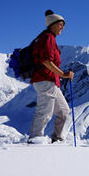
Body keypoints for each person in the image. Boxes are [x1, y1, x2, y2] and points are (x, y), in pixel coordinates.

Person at [28, 10, 74, 144]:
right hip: (45, 80)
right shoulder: (47, 38)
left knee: (64, 111)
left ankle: (57, 139)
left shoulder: (50, 39)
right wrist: (63, 74)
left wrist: (61, 76)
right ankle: (35, 139)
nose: (63, 27)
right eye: (61, 24)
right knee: (45, 111)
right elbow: (46, 61)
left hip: (52, 82)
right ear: (52, 24)